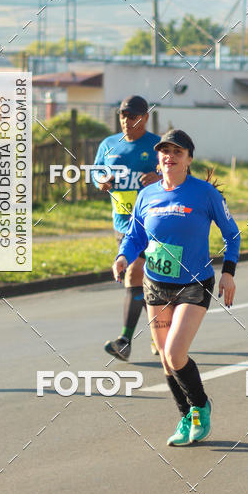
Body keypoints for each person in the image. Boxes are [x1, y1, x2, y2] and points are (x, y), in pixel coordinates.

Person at [113, 129, 240, 446]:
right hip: (156, 285)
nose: (169, 157)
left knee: (175, 352)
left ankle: (201, 406)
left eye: (177, 152)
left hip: (193, 284)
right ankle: (187, 417)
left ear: (188, 159)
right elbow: (135, 237)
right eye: (165, 152)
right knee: (166, 360)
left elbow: (232, 234)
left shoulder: (204, 194)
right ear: (159, 159)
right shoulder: (147, 195)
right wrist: (123, 258)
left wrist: (229, 272)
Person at [94, 95, 161, 361]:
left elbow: (182, 173)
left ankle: (124, 341)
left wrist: (159, 177)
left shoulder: (157, 144)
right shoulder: (109, 144)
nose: (127, 121)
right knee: (146, 284)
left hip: (151, 223)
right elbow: (95, 170)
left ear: (144, 117)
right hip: (122, 224)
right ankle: (160, 335)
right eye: (123, 115)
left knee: (135, 275)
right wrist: (101, 180)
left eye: (133, 116)